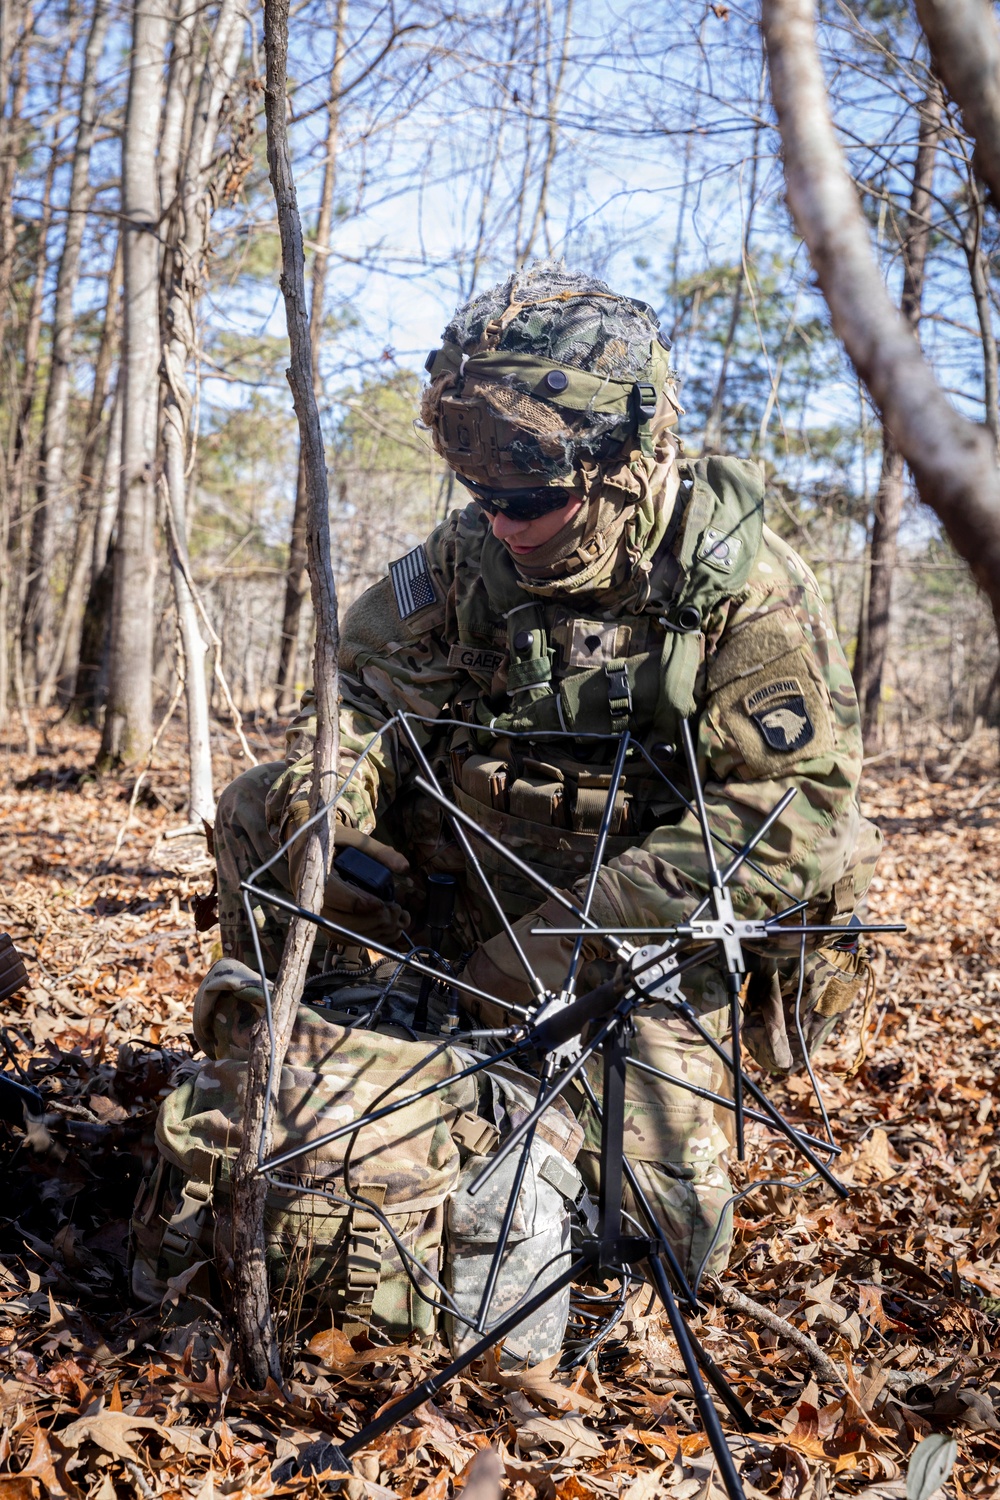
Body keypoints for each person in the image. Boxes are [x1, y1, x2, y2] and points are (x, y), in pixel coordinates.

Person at [213, 263, 881, 1283]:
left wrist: (574, 938)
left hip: (643, 955)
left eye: (535, 496)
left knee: (662, 1247)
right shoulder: (454, 566)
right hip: (457, 912)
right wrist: (328, 815)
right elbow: (356, 709)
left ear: (625, 462)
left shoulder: (740, 590)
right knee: (262, 808)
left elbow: (793, 810)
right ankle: (328, 1032)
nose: (504, 521)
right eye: (481, 493)